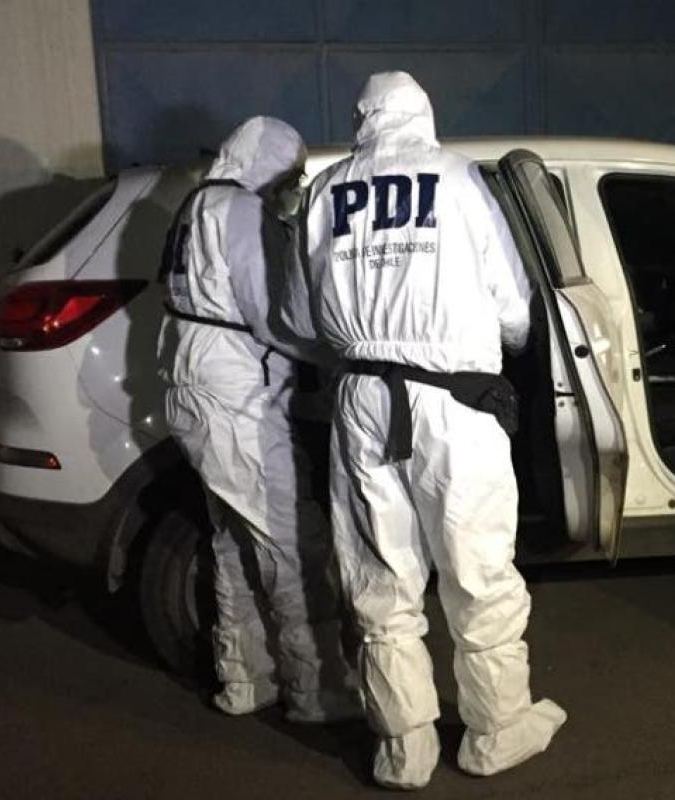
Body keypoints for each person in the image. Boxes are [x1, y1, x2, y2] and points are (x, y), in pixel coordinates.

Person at [283, 72, 565, 788]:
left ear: (362, 119)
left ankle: (403, 747)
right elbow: (514, 307)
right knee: (477, 570)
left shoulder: (324, 191)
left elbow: (299, 318)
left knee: (380, 578)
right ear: (423, 115)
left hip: (362, 401)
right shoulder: (458, 179)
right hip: (454, 402)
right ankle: (497, 729)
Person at [158, 116, 359, 723]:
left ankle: (247, 680)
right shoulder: (240, 210)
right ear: (265, 161)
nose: (290, 186)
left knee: (234, 543)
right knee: (291, 541)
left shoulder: (196, 205)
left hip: (196, 387)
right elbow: (273, 316)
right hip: (234, 397)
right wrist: (339, 355)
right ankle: (318, 693)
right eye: (289, 173)